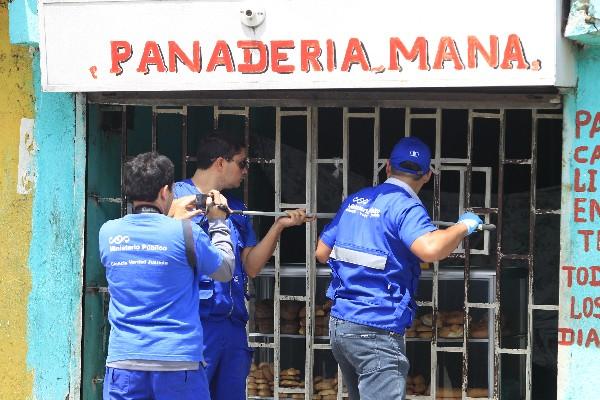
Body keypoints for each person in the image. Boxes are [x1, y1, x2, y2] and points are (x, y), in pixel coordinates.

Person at [315, 137, 483, 400]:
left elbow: (321, 253)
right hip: (376, 327)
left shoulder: (355, 200)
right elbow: (430, 249)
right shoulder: (405, 206)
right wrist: (464, 226)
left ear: (388, 168)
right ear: (427, 175)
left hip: (341, 325)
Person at [173, 131, 311, 400]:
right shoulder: (177, 197)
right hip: (194, 323)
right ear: (220, 162)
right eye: (242, 163)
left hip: (232, 322)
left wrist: (279, 226)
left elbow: (251, 267)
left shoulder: (235, 208)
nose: (246, 170)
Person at [99, 152, 236, 400]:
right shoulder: (186, 232)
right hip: (178, 363)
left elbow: (148, 247)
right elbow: (225, 270)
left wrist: (169, 218)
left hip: (124, 362)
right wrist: (218, 222)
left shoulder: (108, 233)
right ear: (165, 192)